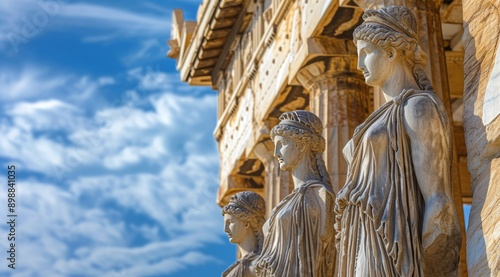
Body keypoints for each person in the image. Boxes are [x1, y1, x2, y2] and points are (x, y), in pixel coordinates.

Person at [334, 6, 462, 276]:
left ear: (391, 52)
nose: (358, 65)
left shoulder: (417, 107)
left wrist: (433, 265)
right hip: (365, 238)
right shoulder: (378, 117)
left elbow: (437, 198)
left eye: (366, 53)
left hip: (394, 244)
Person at [255, 110, 336, 276]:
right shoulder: (285, 203)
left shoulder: (320, 194)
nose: (276, 153)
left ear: (301, 145)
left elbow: (327, 255)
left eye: (282, 144)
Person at [221, 191, 266, 277]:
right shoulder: (240, 266)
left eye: (230, 222)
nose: (225, 229)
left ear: (246, 224)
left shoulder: (257, 266)